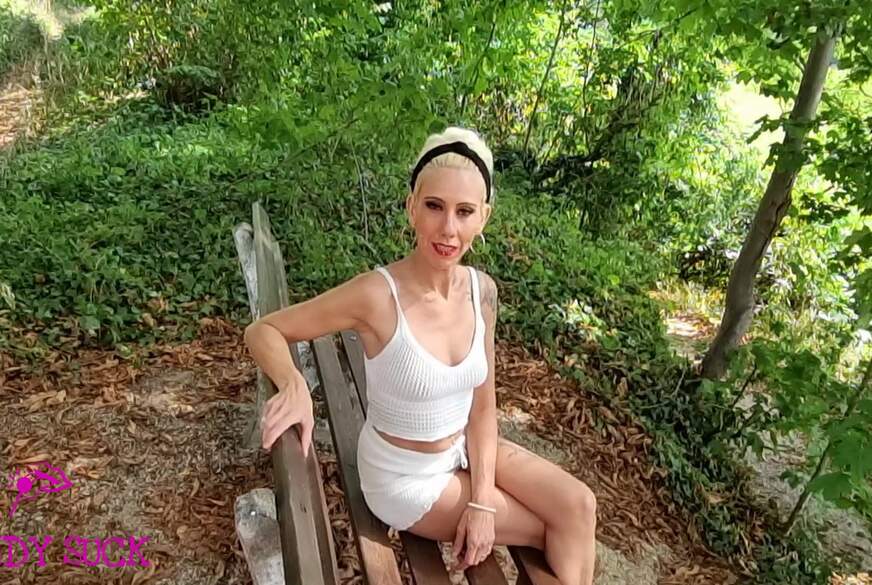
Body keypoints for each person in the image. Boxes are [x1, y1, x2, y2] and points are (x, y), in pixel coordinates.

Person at [243, 127, 597, 585]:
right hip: (405, 479)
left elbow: (483, 407)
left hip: (460, 451)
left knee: (580, 505)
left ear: (483, 217)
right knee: (556, 528)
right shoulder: (377, 295)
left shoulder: (482, 292)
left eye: (464, 211)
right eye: (434, 206)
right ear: (412, 206)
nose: (448, 228)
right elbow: (264, 330)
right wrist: (294, 383)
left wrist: (482, 502)